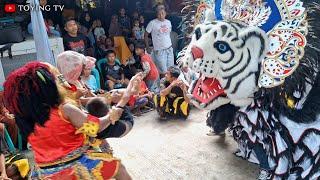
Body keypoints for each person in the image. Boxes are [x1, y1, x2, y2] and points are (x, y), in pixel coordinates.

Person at [3, 62, 143, 179]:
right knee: (119, 169)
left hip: (45, 173)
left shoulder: (24, 120)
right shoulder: (64, 110)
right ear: (48, 87)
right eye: (56, 78)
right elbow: (95, 128)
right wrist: (117, 108)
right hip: (74, 168)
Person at [145, 7, 174, 78]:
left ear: (165, 14)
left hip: (169, 49)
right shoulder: (152, 23)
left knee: (171, 70)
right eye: (159, 14)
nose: (161, 16)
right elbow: (145, 35)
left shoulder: (168, 22)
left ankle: (169, 86)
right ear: (156, 15)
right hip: (159, 50)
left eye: (162, 13)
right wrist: (148, 47)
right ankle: (163, 86)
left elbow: (167, 35)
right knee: (163, 71)